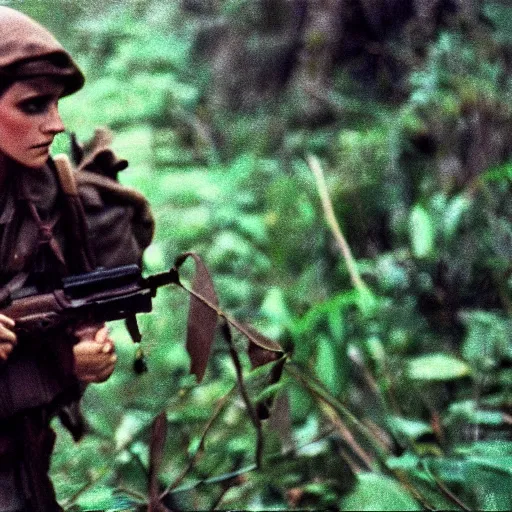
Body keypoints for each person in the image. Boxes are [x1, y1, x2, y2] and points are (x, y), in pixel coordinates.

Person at [0, 7, 153, 511]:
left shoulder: (48, 196)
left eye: (57, 104)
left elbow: (60, 306)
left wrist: (81, 351)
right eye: (33, 105)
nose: (56, 123)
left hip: (20, 469)